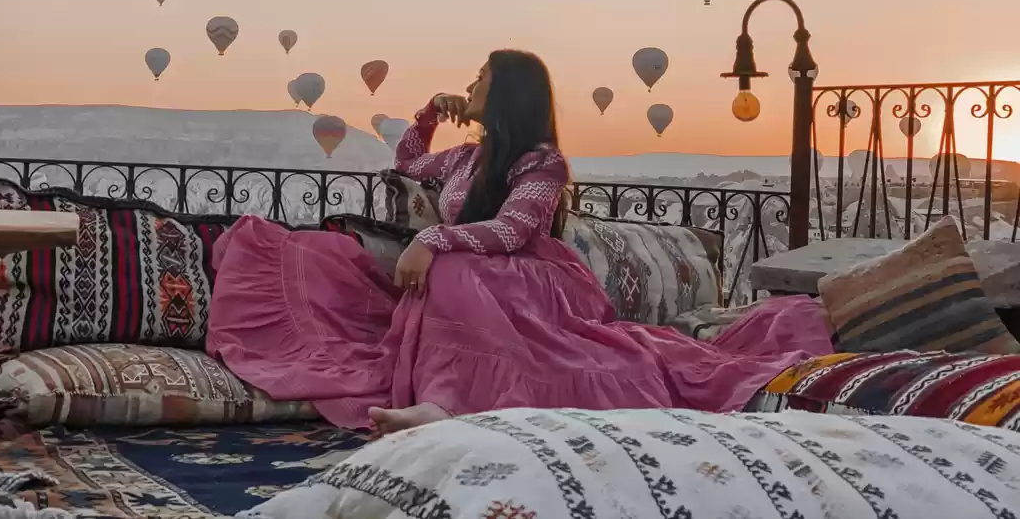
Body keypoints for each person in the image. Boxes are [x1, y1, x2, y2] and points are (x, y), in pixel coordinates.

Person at [206, 50, 834, 435]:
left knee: (454, 271)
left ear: (505, 93)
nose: (471, 83)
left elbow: (514, 231)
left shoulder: (543, 161)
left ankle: (445, 404)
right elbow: (407, 160)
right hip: (471, 274)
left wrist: (432, 237)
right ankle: (441, 394)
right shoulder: (465, 156)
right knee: (318, 251)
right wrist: (428, 110)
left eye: (481, 76)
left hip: (529, 279)